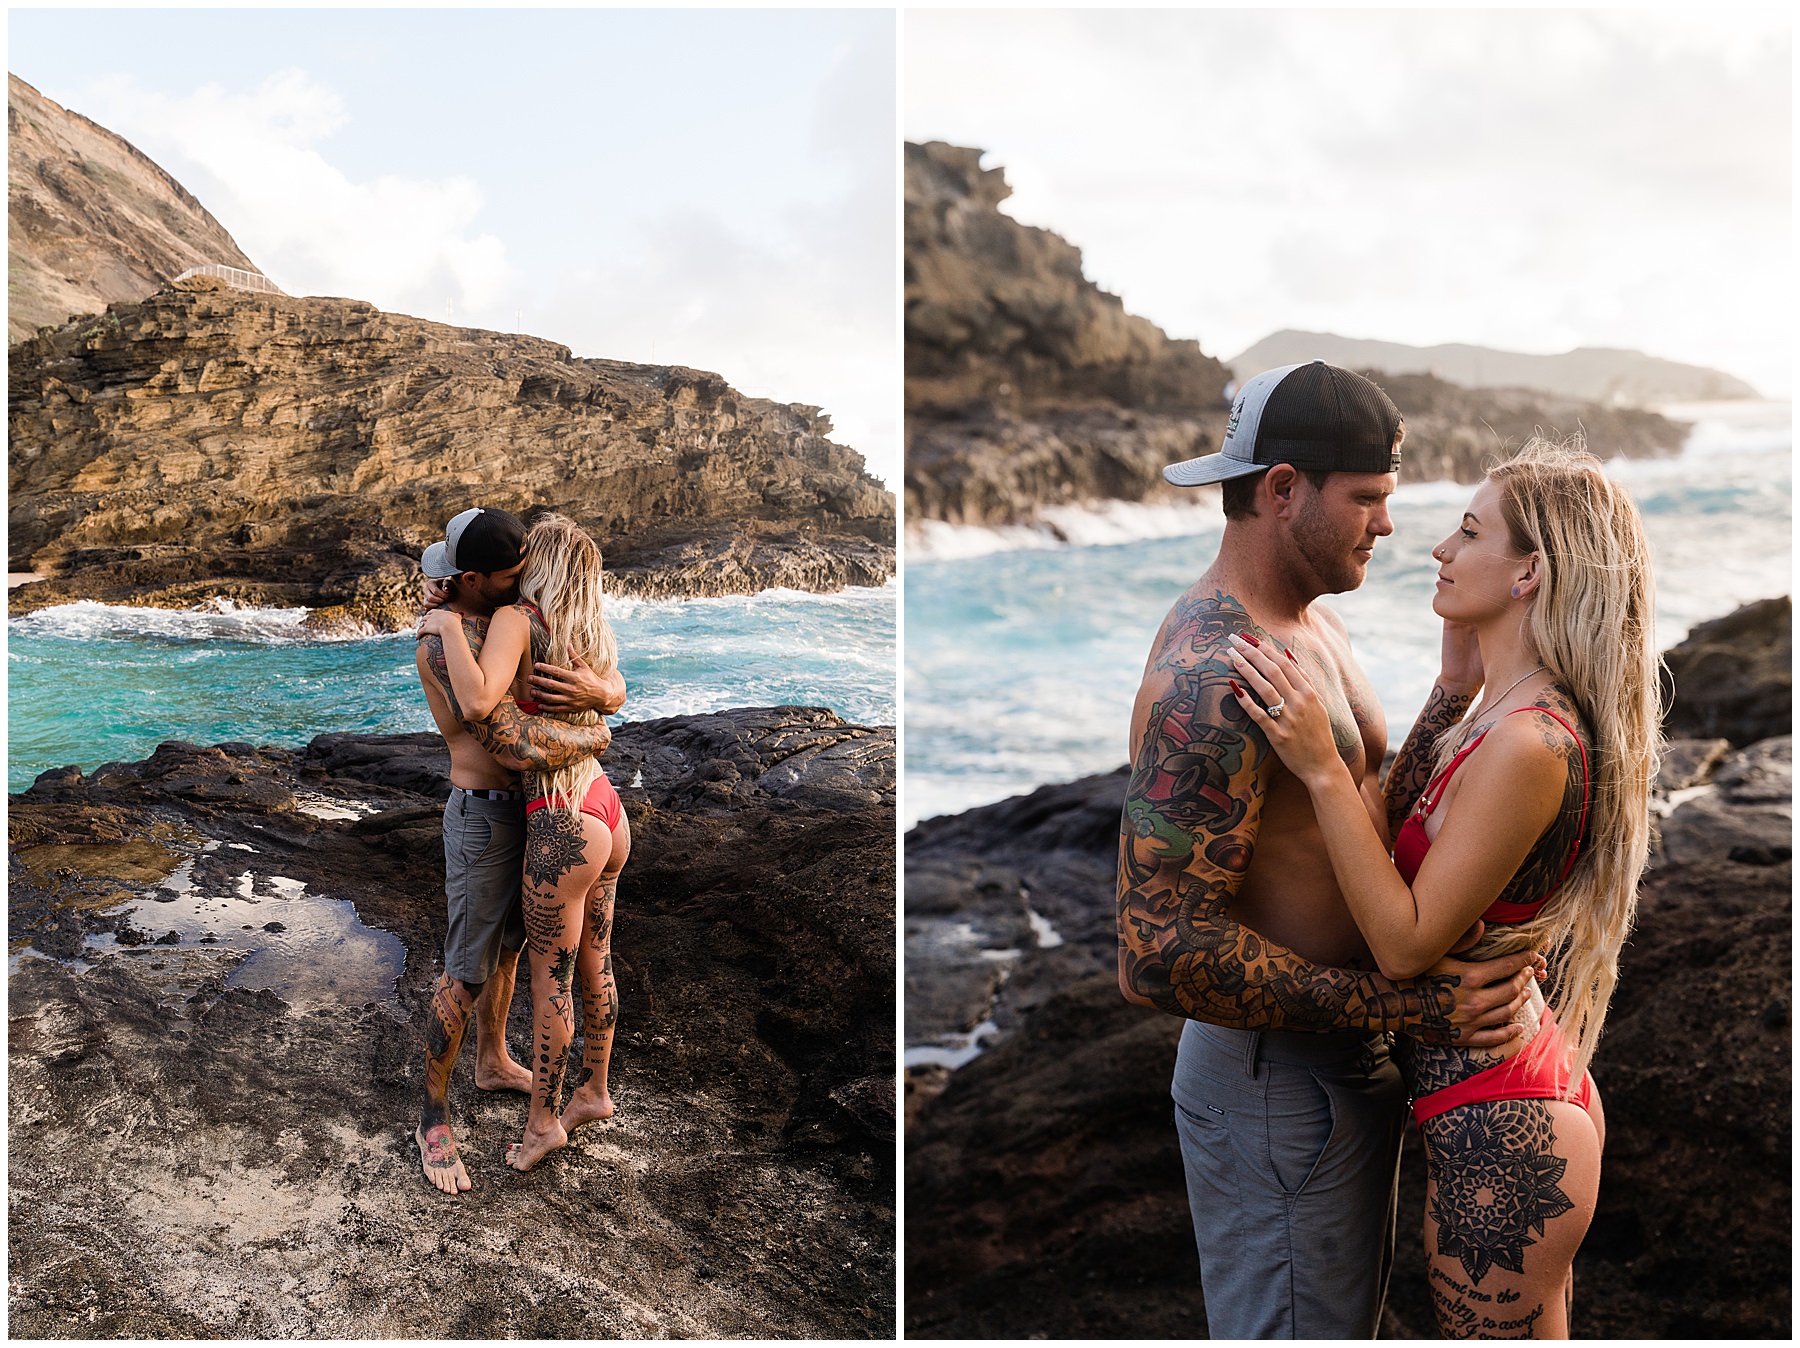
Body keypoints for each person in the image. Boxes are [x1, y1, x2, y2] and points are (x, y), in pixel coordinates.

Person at [1117, 361, 1546, 1338]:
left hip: (1332, 1067)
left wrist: (1452, 697)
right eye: (1368, 499)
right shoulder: (1208, 675)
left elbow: (1343, 812)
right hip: (1276, 1084)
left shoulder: (1313, 621)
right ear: (1280, 489)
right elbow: (1157, 953)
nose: (1388, 526)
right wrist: (1416, 1002)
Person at [1225, 435, 1657, 1338]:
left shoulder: (1532, 743)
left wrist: (1319, 769)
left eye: (1469, 532)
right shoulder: (1502, 713)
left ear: (1529, 572)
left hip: (1507, 1127)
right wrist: (1449, 688)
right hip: (1499, 1101)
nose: (1439, 549)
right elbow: (1410, 833)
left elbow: (1407, 941)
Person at [411, 505, 626, 1195]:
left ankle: (494, 1059)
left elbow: (590, 687)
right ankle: (431, 1119)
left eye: (528, 564)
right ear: (472, 579)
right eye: (511, 570)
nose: (524, 573)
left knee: (508, 954)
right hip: (484, 819)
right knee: (467, 968)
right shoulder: (444, 640)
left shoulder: (513, 619)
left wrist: (606, 693)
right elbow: (507, 739)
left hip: (536, 815)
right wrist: (597, 734)